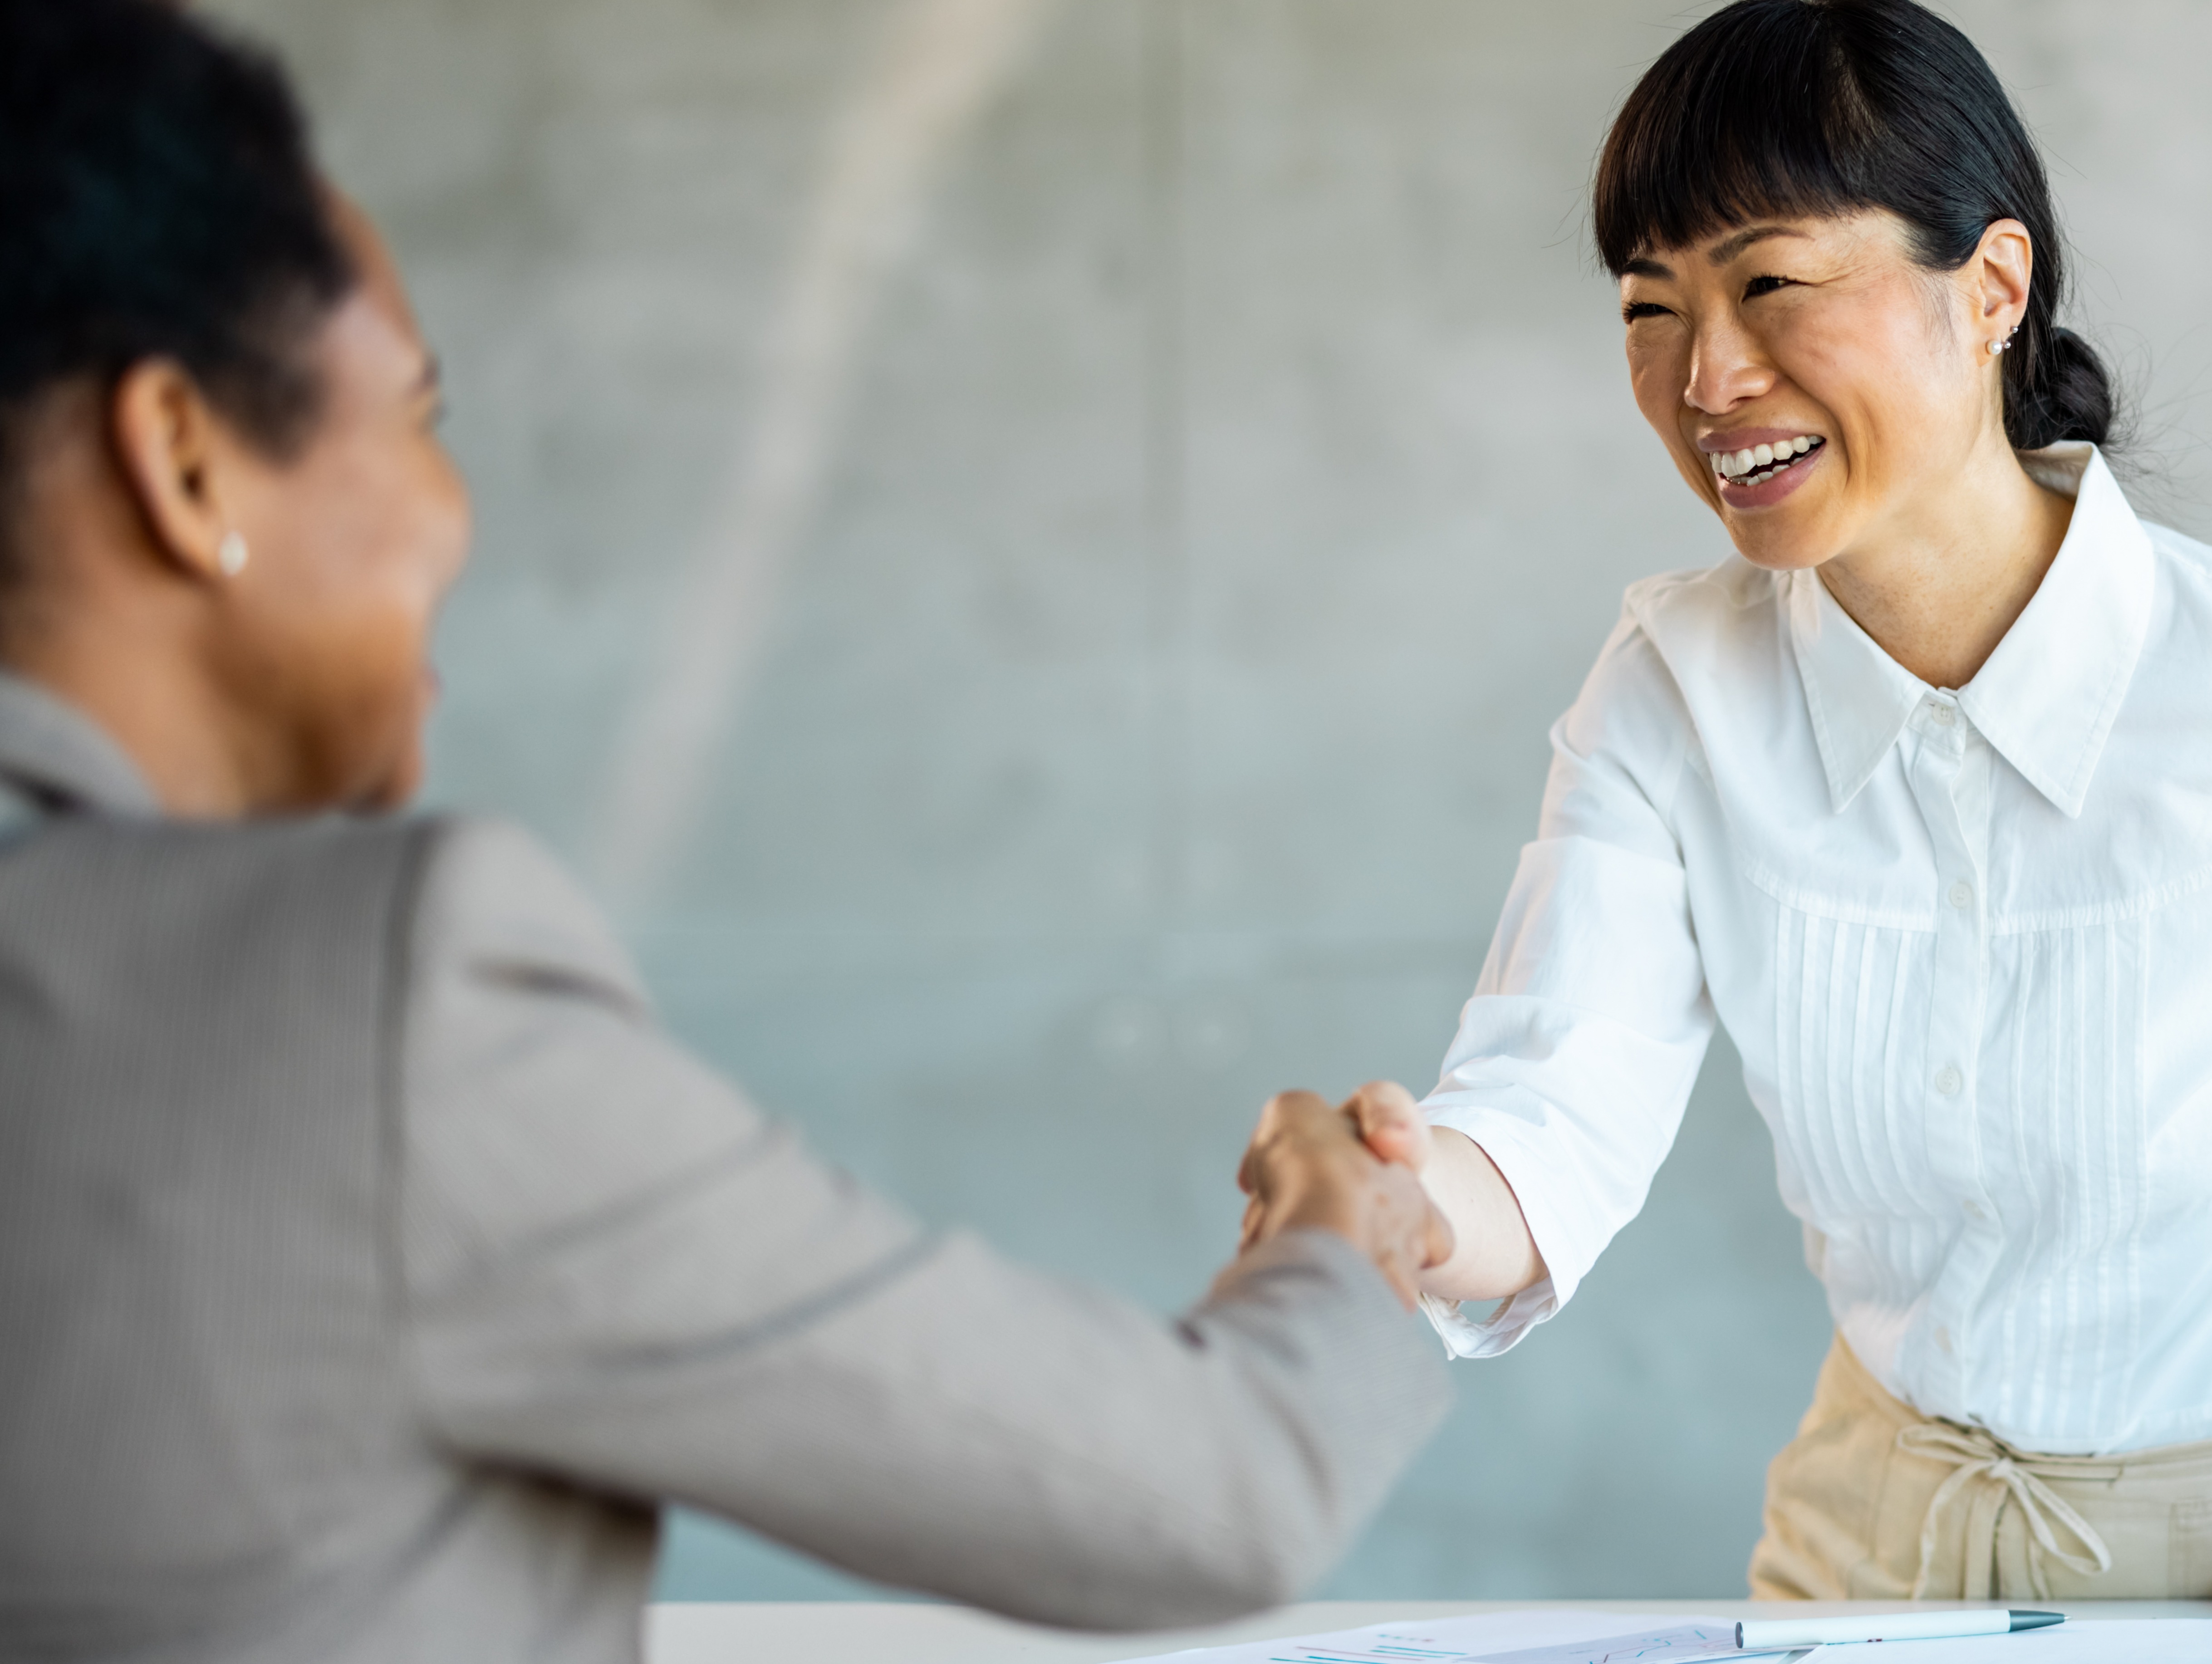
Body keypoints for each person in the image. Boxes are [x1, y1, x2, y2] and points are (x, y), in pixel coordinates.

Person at [0, 4, 1452, 1659]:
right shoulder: (366, 1001)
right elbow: (1213, 1489)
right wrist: (1340, 1216)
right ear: (185, 461)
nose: (452, 515)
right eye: (417, 415)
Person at [1339, 0, 2212, 1630]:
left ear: (1990, 287)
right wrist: (1394, 1206)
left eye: (1771, 283)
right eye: (1653, 307)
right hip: (1865, 1545)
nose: (1707, 375)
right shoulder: (1670, 679)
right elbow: (1554, 1113)